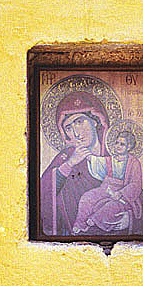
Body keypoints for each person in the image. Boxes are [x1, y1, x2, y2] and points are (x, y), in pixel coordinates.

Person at [39, 91, 110, 236]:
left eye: (79, 122)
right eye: (69, 128)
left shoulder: (116, 155)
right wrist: (69, 165)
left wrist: (129, 217)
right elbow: (44, 191)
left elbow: (136, 192)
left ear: (95, 120)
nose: (76, 133)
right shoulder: (66, 158)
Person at [71, 131, 143, 234]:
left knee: (110, 207)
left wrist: (121, 193)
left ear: (129, 147)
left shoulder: (134, 163)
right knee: (87, 197)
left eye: (122, 144)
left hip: (124, 196)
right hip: (106, 189)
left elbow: (135, 184)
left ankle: (94, 221)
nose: (118, 146)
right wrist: (83, 150)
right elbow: (94, 160)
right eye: (117, 143)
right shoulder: (110, 160)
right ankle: (80, 224)